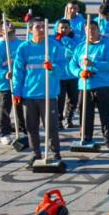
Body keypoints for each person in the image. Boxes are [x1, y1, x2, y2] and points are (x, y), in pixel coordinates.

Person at [12, 18, 67, 170]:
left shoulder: (54, 46)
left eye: (43, 27)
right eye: (38, 27)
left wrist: (53, 67)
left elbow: (63, 68)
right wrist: (16, 91)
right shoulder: (24, 48)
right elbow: (18, 72)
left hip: (48, 95)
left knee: (51, 127)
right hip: (29, 95)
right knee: (31, 127)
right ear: (30, 30)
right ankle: (36, 153)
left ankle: (56, 154)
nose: (42, 29)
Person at [69, 19, 109, 149]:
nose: (90, 32)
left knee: (106, 113)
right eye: (87, 29)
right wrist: (79, 72)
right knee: (85, 113)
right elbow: (72, 64)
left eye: (93, 29)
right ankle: (86, 137)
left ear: (98, 30)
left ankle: (108, 138)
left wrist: (93, 65)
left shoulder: (106, 45)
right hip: (84, 85)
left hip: (102, 85)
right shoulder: (81, 47)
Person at [0, 21, 25, 145]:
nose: (11, 32)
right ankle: (4, 133)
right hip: (4, 84)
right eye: (7, 31)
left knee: (20, 107)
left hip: (20, 82)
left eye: (13, 30)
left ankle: (22, 129)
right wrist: (4, 74)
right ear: (1, 33)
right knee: (5, 108)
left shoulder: (21, 44)